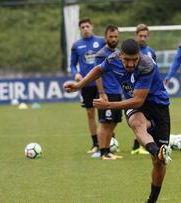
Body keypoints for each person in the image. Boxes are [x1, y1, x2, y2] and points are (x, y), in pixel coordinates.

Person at [64, 38, 172, 203]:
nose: (130, 64)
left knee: (158, 164)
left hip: (158, 106)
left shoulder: (147, 65)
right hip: (135, 105)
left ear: (139, 56)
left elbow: (138, 100)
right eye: (127, 59)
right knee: (137, 123)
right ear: (120, 55)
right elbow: (99, 70)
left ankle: (152, 199)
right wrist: (80, 85)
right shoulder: (113, 59)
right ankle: (155, 150)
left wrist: (108, 105)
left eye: (134, 59)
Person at [70, 17, 105, 154]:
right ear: (80, 29)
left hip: (101, 83)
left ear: (92, 27)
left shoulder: (101, 41)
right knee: (90, 113)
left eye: (87, 26)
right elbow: (72, 64)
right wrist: (76, 74)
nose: (85, 29)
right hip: (86, 84)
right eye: (82, 27)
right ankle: (95, 143)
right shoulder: (76, 45)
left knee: (104, 112)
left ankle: (109, 140)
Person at [93, 24, 123, 160]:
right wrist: (102, 93)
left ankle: (107, 150)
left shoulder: (118, 53)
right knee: (105, 122)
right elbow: (97, 74)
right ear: (106, 37)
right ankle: (102, 152)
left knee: (113, 123)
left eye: (116, 36)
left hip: (117, 93)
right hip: (107, 93)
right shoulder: (101, 54)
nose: (113, 39)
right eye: (111, 37)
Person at [131, 23, 157, 155]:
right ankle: (141, 146)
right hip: (136, 90)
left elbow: (155, 71)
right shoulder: (131, 52)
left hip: (149, 91)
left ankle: (137, 145)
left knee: (145, 119)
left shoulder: (151, 52)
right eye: (140, 35)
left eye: (145, 36)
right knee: (139, 118)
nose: (142, 38)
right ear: (136, 35)